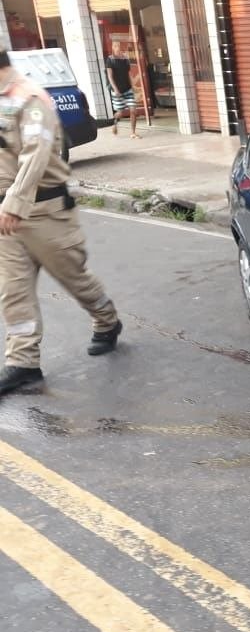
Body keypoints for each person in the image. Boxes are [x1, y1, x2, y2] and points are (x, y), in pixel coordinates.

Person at [0, 49, 122, 396]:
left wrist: (15, 202)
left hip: (43, 212)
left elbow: (36, 153)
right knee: (13, 292)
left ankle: (107, 320)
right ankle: (22, 363)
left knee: (75, 279)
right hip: (6, 219)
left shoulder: (31, 98)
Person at [105, 40, 140, 139]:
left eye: (119, 45)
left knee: (133, 111)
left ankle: (133, 132)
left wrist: (133, 86)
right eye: (115, 46)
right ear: (113, 47)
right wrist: (115, 89)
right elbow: (110, 77)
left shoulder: (125, 59)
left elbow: (128, 74)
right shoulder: (110, 60)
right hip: (117, 91)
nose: (118, 47)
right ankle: (115, 123)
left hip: (128, 89)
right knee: (120, 113)